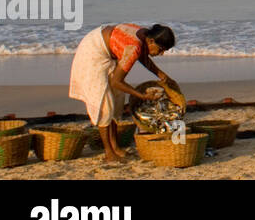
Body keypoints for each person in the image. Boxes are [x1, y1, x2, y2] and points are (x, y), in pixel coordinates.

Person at [68, 23, 176, 162]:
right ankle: (109, 152)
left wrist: (162, 76)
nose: (160, 54)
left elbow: (142, 56)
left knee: (117, 100)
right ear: (151, 41)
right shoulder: (134, 47)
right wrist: (141, 95)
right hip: (93, 51)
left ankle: (115, 147)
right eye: (160, 49)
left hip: (107, 52)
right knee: (105, 106)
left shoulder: (144, 36)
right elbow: (116, 82)